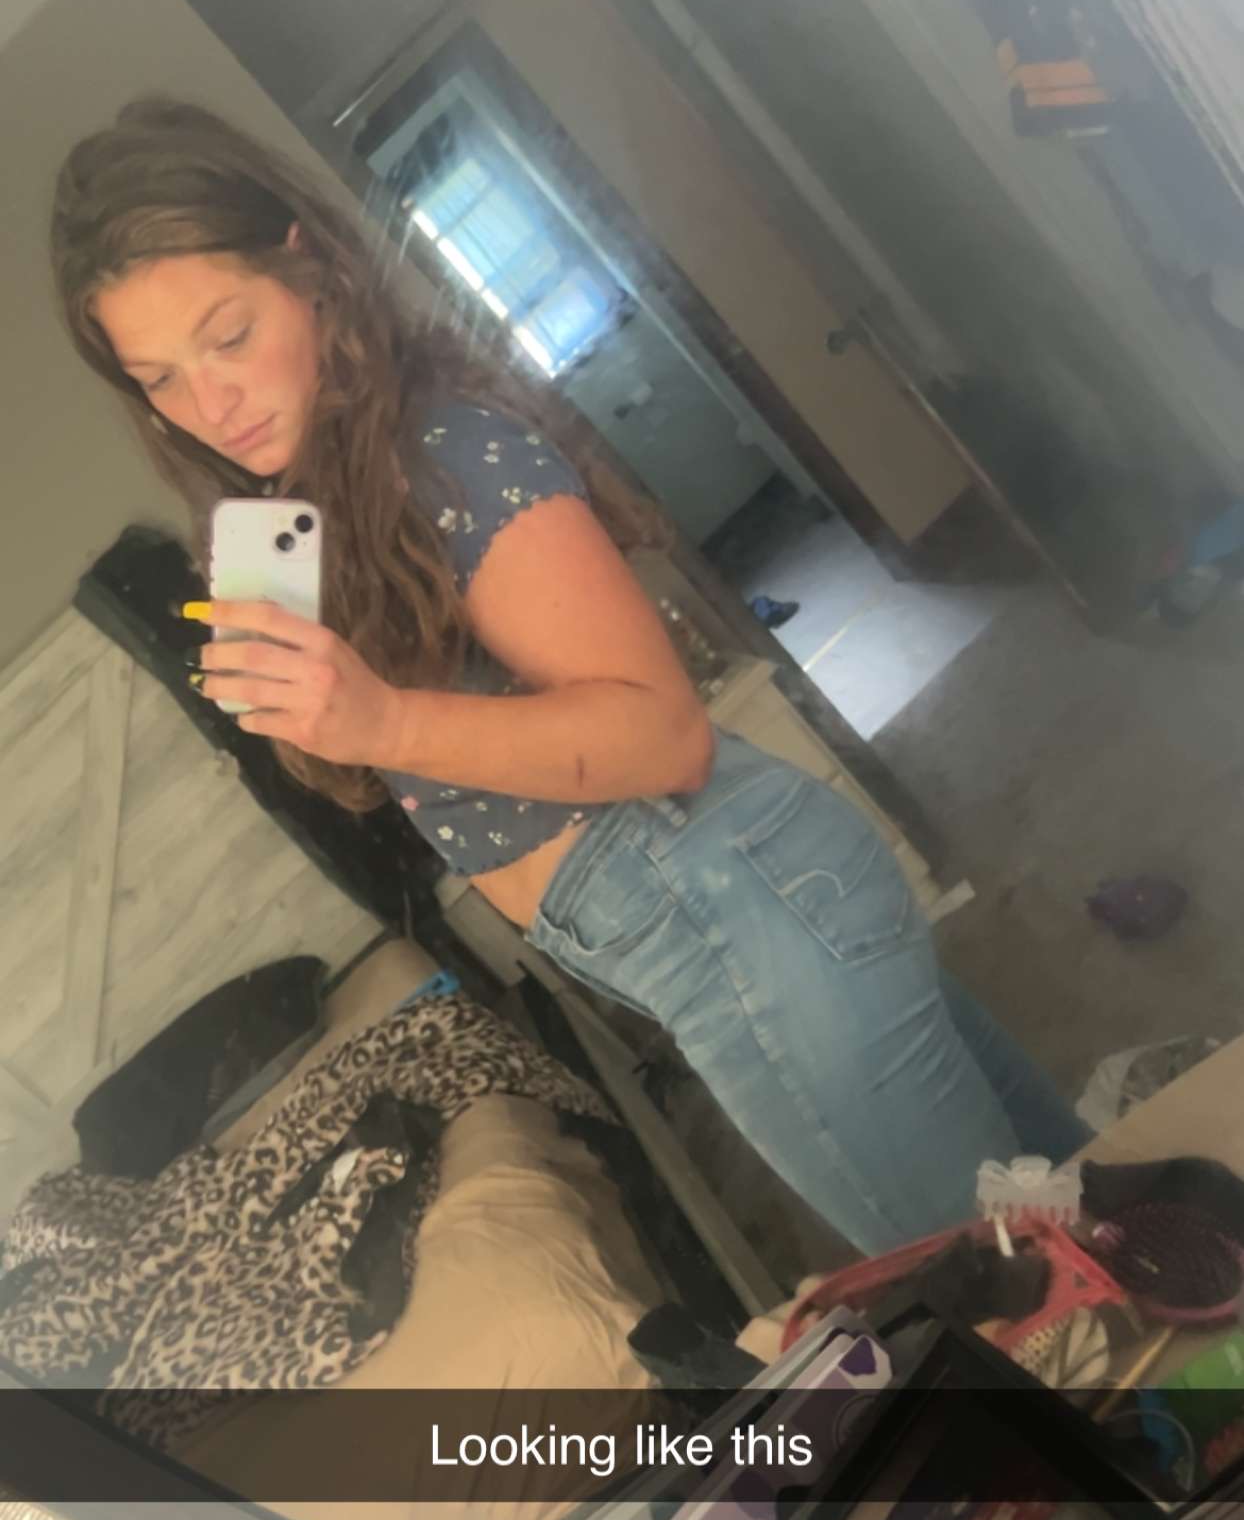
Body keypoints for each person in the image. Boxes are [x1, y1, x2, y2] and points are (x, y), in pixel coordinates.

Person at [51, 98, 1085, 1254]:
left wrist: (378, 718)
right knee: (1088, 1222)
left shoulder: (439, 450)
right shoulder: (309, 507)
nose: (211, 404)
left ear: (310, 272)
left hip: (739, 916)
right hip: (732, 920)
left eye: (229, 335)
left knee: (1020, 1302)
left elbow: (660, 737)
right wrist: (313, 701)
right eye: (160, 378)